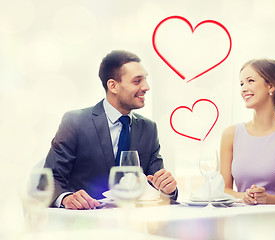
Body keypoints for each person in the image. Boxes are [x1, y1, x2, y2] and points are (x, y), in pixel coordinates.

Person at [44, 50, 178, 210]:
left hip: (134, 225)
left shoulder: (149, 128)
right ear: (113, 86)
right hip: (85, 222)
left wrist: (168, 189)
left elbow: (157, 185)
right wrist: (66, 198)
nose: (146, 87)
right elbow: (49, 180)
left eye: (145, 79)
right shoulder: (75, 122)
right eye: (137, 81)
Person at [220, 59, 275, 205]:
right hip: (240, 220)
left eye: (250, 81)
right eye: (241, 83)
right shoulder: (230, 134)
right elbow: (223, 190)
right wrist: (244, 197)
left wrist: (267, 199)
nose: (243, 88)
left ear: (271, 86)